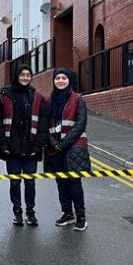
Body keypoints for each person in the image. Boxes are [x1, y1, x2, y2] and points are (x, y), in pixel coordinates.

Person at [0, 64, 49, 226]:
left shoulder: (37, 97)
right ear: (16, 76)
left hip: (31, 148)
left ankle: (30, 212)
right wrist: (2, 145)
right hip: (12, 148)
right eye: (22, 74)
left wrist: (38, 146)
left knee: (30, 182)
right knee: (15, 181)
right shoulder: (4, 95)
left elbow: (43, 125)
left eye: (28, 75)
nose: (25, 77)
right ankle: (17, 211)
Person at [44, 68, 90, 232]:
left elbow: (80, 125)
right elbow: (45, 125)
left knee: (74, 184)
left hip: (73, 148)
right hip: (54, 148)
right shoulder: (50, 100)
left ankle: (81, 217)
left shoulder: (78, 99)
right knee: (61, 183)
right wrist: (53, 143)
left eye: (64, 78)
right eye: (58, 78)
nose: (61, 81)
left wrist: (62, 144)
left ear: (69, 80)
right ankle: (67, 214)